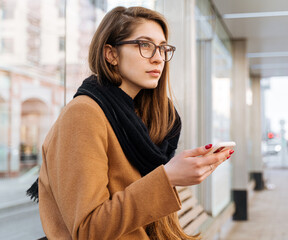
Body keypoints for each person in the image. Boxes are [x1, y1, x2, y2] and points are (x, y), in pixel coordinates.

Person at [27, 6, 234, 240]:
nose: (158, 57)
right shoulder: (84, 113)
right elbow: (88, 230)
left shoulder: (150, 118)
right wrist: (168, 177)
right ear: (111, 54)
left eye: (162, 47)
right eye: (144, 45)